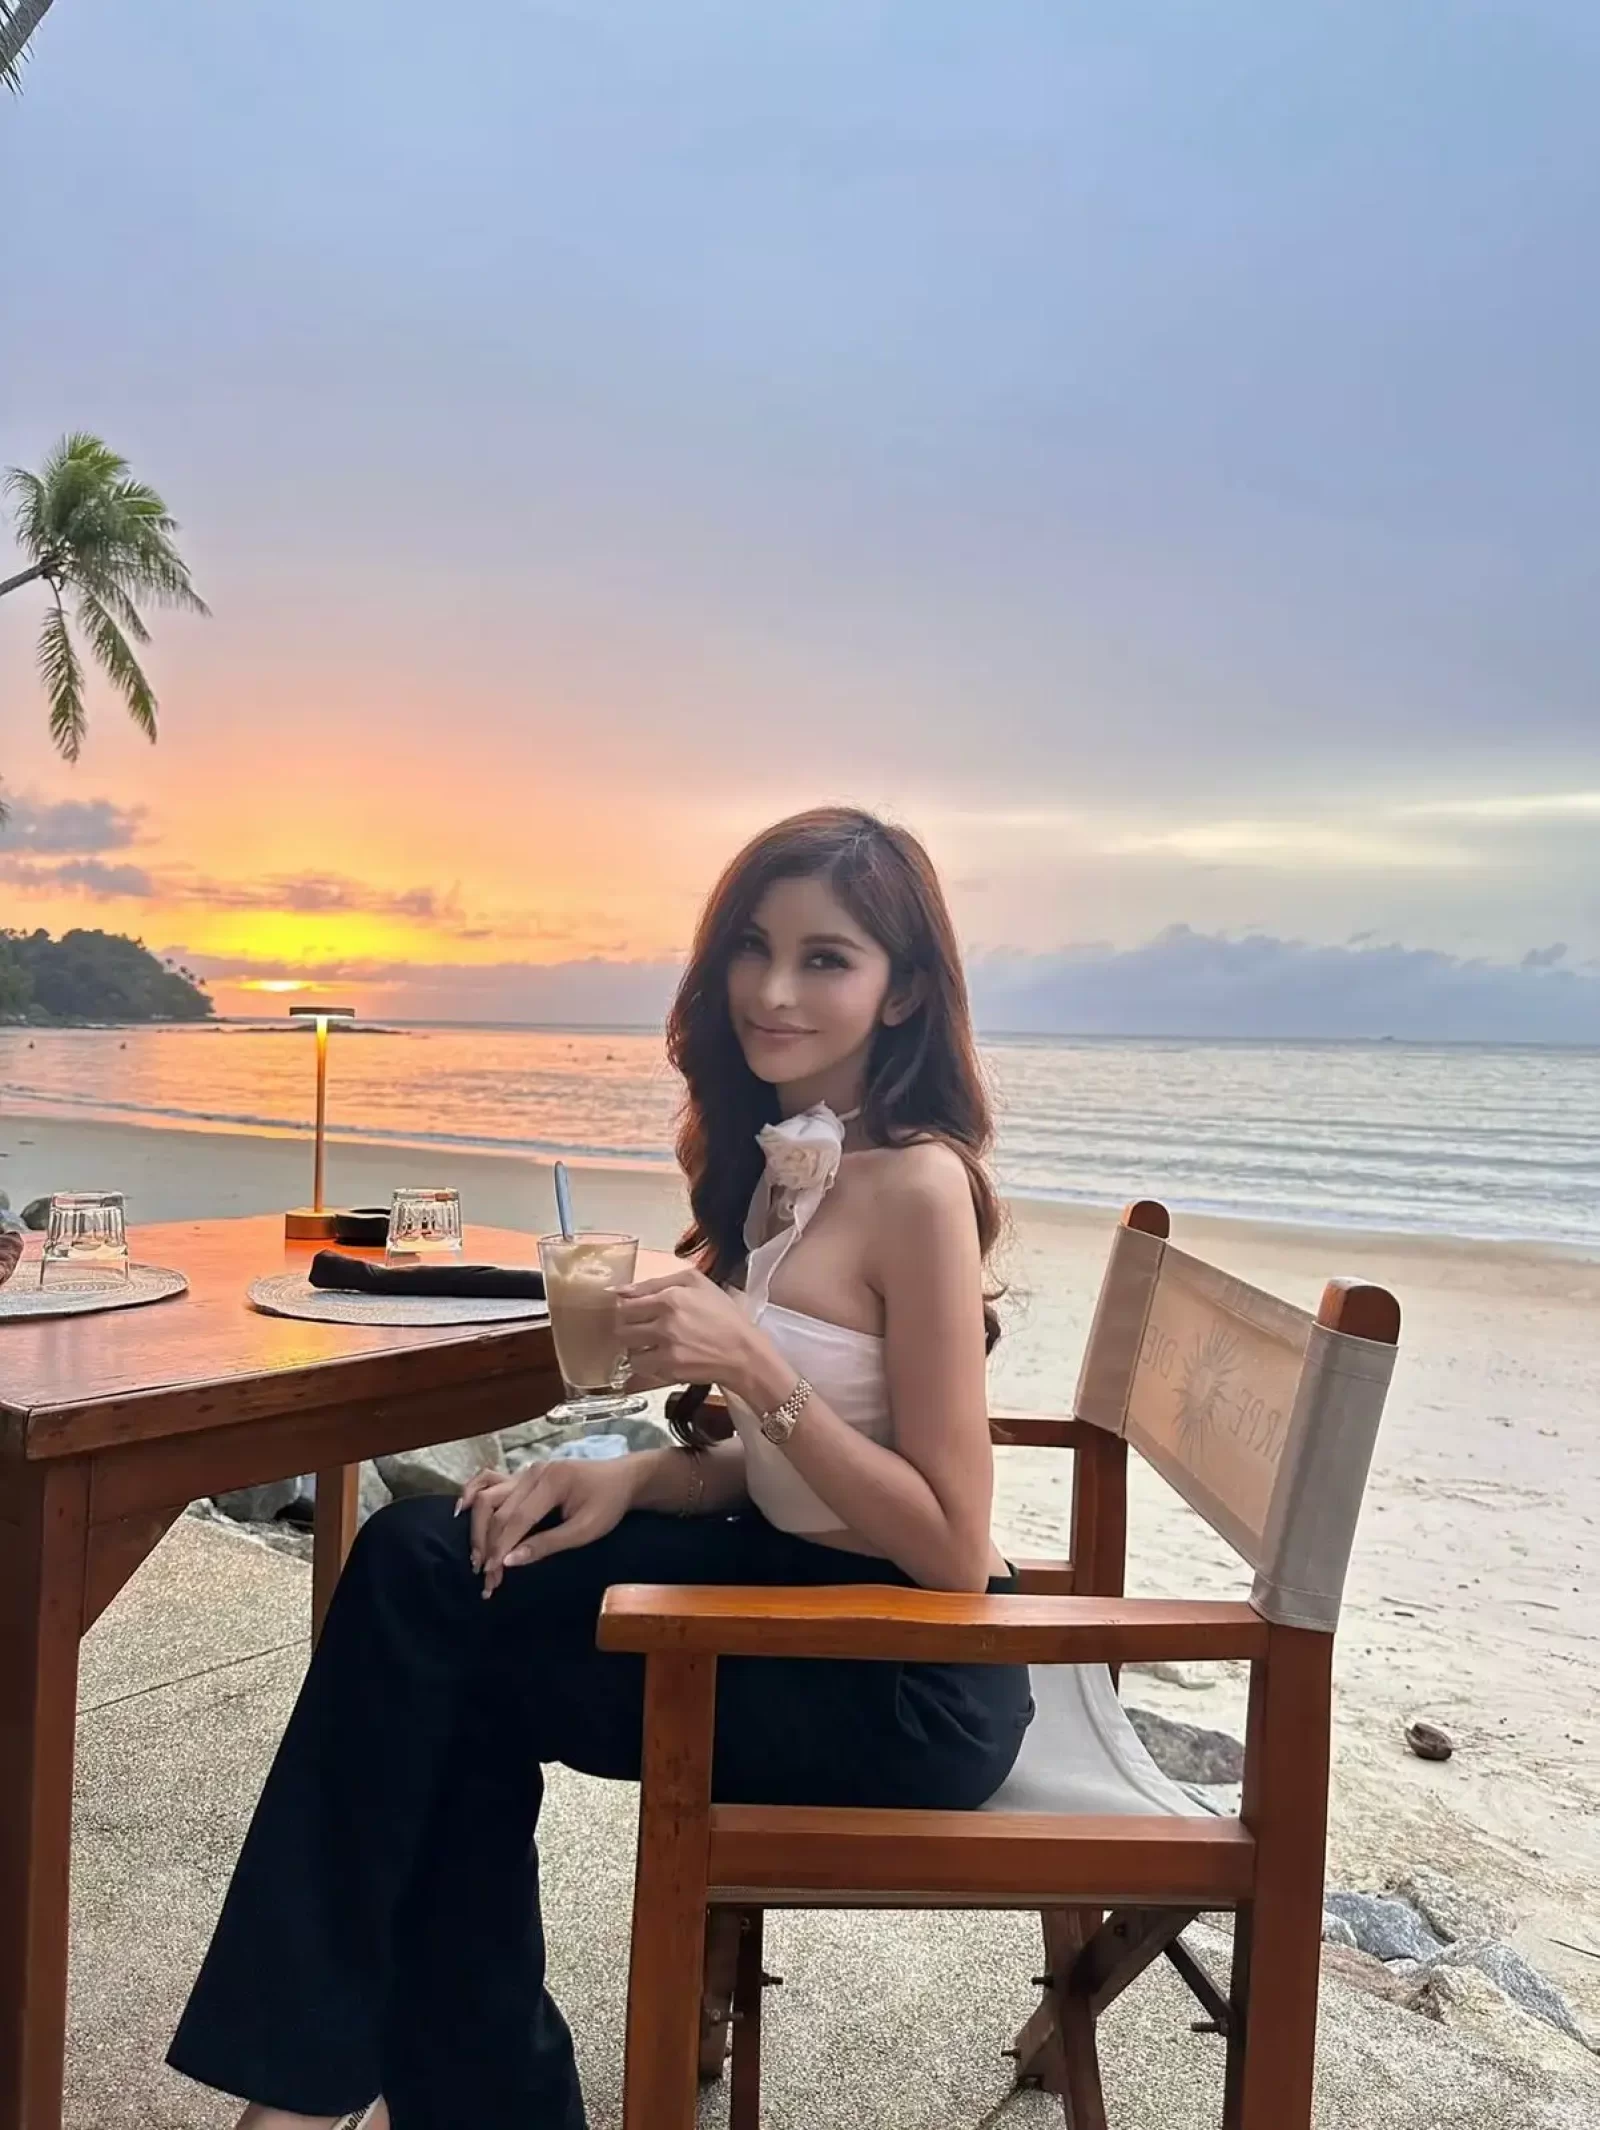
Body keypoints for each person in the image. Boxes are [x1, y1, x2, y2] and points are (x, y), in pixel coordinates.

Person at [168, 805, 1035, 2130]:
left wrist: (753, 1363)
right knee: (434, 1558)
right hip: (790, 1584)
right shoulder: (786, 1169)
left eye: (825, 957)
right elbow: (781, 1466)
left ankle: (314, 2102)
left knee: (440, 1646)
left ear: (904, 989)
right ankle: (395, 2103)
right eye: (751, 947)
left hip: (903, 1673)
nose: (773, 988)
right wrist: (637, 1480)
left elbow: (950, 1548)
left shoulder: (920, 1189)